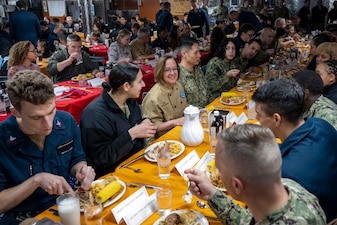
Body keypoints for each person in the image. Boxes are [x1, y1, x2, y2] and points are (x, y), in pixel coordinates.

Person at [0, 70, 95, 224]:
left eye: (51, 112)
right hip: (23, 217)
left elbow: (76, 159)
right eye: (36, 117)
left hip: (65, 205)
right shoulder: (2, 139)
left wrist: (81, 170)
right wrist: (36, 181)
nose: (48, 123)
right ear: (15, 112)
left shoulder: (66, 121)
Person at [185, 124, 326, 224]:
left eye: (219, 170)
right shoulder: (290, 187)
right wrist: (212, 195)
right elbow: (249, 220)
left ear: (237, 185)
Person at [252, 78, 337, 222]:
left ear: (277, 119)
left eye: (259, 115)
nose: (257, 119)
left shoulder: (284, 173)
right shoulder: (321, 124)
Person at [80, 63, 156, 177]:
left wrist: (143, 121)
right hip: (113, 176)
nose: (144, 84)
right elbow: (101, 159)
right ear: (126, 86)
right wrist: (131, 134)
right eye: (140, 81)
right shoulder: (95, 115)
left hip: (136, 164)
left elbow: (133, 124)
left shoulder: (130, 101)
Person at [142, 55, 187, 140]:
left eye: (174, 69)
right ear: (160, 71)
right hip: (163, 139)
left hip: (181, 131)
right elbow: (152, 128)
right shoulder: (154, 97)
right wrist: (175, 122)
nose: (172, 73)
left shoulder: (178, 86)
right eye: (167, 70)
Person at [178, 38, 208, 108]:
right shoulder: (177, 75)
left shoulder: (198, 71)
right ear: (184, 54)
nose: (199, 55)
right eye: (195, 53)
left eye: (199, 52)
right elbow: (180, 105)